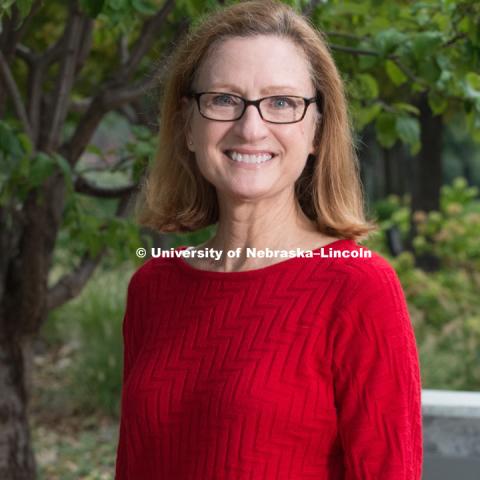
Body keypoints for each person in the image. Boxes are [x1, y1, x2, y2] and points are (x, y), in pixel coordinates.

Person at [114, 1, 423, 478]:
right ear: (188, 126)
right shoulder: (153, 288)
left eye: (281, 102)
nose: (251, 127)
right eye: (223, 99)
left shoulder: (358, 287)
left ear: (317, 128)